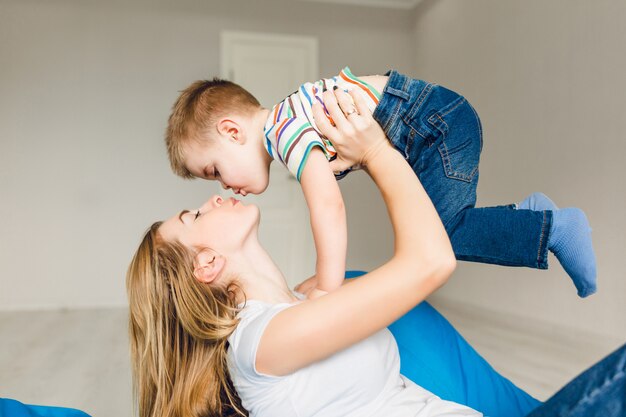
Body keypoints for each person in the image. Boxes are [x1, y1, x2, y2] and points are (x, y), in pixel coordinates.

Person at [127, 88, 625, 417]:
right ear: (207, 264)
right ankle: (543, 226)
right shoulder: (263, 342)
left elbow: (415, 244)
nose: (213, 196)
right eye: (194, 217)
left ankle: (537, 224)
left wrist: (362, 153)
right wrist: (377, 151)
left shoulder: (303, 303)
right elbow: (431, 261)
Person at [164, 67, 597, 299]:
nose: (224, 188)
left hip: (435, 126)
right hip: (433, 121)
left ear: (232, 132)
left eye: (215, 171)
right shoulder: (288, 121)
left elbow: (328, 208)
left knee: (438, 238)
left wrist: (328, 286)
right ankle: (532, 218)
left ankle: (554, 228)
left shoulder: (284, 131)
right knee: (436, 233)